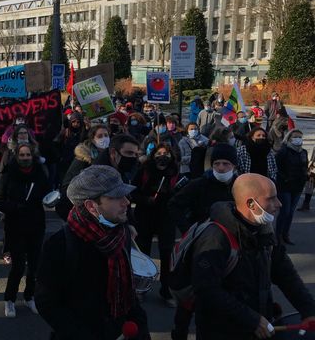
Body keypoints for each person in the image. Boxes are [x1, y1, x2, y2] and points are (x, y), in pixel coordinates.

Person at [190, 173, 315, 339]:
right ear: (251, 204)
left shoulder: (265, 230)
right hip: (221, 331)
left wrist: (309, 309)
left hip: (257, 327)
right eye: (271, 198)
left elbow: (286, 274)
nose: (279, 204)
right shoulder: (215, 237)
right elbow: (206, 290)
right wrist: (251, 320)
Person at [35, 165, 150, 339]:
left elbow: (126, 289)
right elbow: (47, 302)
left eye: (125, 195)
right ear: (91, 205)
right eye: (116, 197)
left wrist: (140, 326)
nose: (126, 202)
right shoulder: (60, 244)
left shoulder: (121, 232)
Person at [168, 143, 238, 340]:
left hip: (230, 249)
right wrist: (189, 229)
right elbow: (174, 205)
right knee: (190, 296)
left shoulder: (240, 186)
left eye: (225, 163)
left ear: (234, 165)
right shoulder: (199, 184)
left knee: (217, 296)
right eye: (217, 163)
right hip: (200, 246)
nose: (221, 168)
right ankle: (179, 331)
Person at [0, 143, 50, 318]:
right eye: (22, 155)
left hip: (36, 225)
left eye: (28, 155)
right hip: (15, 226)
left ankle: (29, 296)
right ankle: (9, 300)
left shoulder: (40, 174)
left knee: (34, 266)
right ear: (16, 156)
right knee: (17, 267)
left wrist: (50, 200)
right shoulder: (8, 175)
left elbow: (47, 194)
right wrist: (15, 207)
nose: (25, 158)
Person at [132, 143, 179, 306]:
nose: (162, 156)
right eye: (158, 153)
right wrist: (145, 200)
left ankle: (166, 290)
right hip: (145, 215)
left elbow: (181, 195)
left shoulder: (175, 173)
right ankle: (141, 288)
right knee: (143, 254)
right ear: (153, 156)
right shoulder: (144, 171)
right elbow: (132, 192)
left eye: (166, 153)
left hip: (166, 217)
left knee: (166, 255)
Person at [56, 124, 110, 221]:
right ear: (93, 139)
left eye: (106, 135)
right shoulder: (83, 159)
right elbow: (68, 185)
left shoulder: (109, 157)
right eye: (100, 136)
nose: (104, 138)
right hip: (80, 209)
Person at [275, 129, 308, 245]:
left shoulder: (303, 152)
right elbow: (276, 168)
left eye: (300, 137)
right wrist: (285, 179)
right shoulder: (284, 151)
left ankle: (285, 234)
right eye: (295, 137)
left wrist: (305, 177)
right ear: (289, 139)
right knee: (285, 211)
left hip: (298, 186)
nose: (298, 139)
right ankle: (277, 235)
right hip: (285, 186)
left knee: (291, 212)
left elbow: (305, 167)